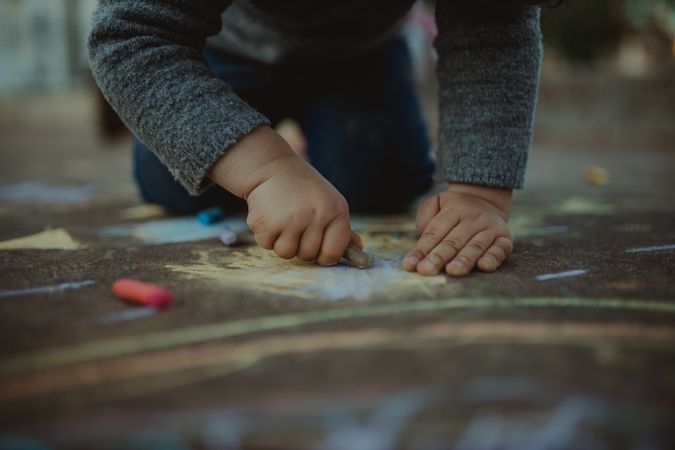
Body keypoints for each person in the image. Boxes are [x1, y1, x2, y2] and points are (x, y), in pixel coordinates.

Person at [88, 0, 543, 276]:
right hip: (223, 53)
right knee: (174, 185)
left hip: (358, 57)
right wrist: (265, 170)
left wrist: (479, 195)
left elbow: (493, 31)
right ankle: (268, 144)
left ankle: (292, 153)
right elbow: (131, 36)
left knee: (379, 184)